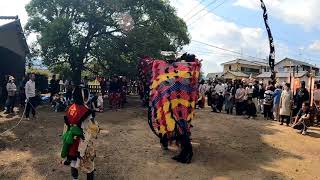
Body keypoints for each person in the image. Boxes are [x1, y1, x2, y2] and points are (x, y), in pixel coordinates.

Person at [61, 86, 99, 180]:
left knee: (73, 162)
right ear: (84, 97)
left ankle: (74, 178)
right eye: (87, 96)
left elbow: (67, 125)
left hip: (71, 140)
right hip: (83, 142)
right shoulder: (86, 112)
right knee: (89, 165)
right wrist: (97, 129)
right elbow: (91, 129)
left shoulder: (70, 108)